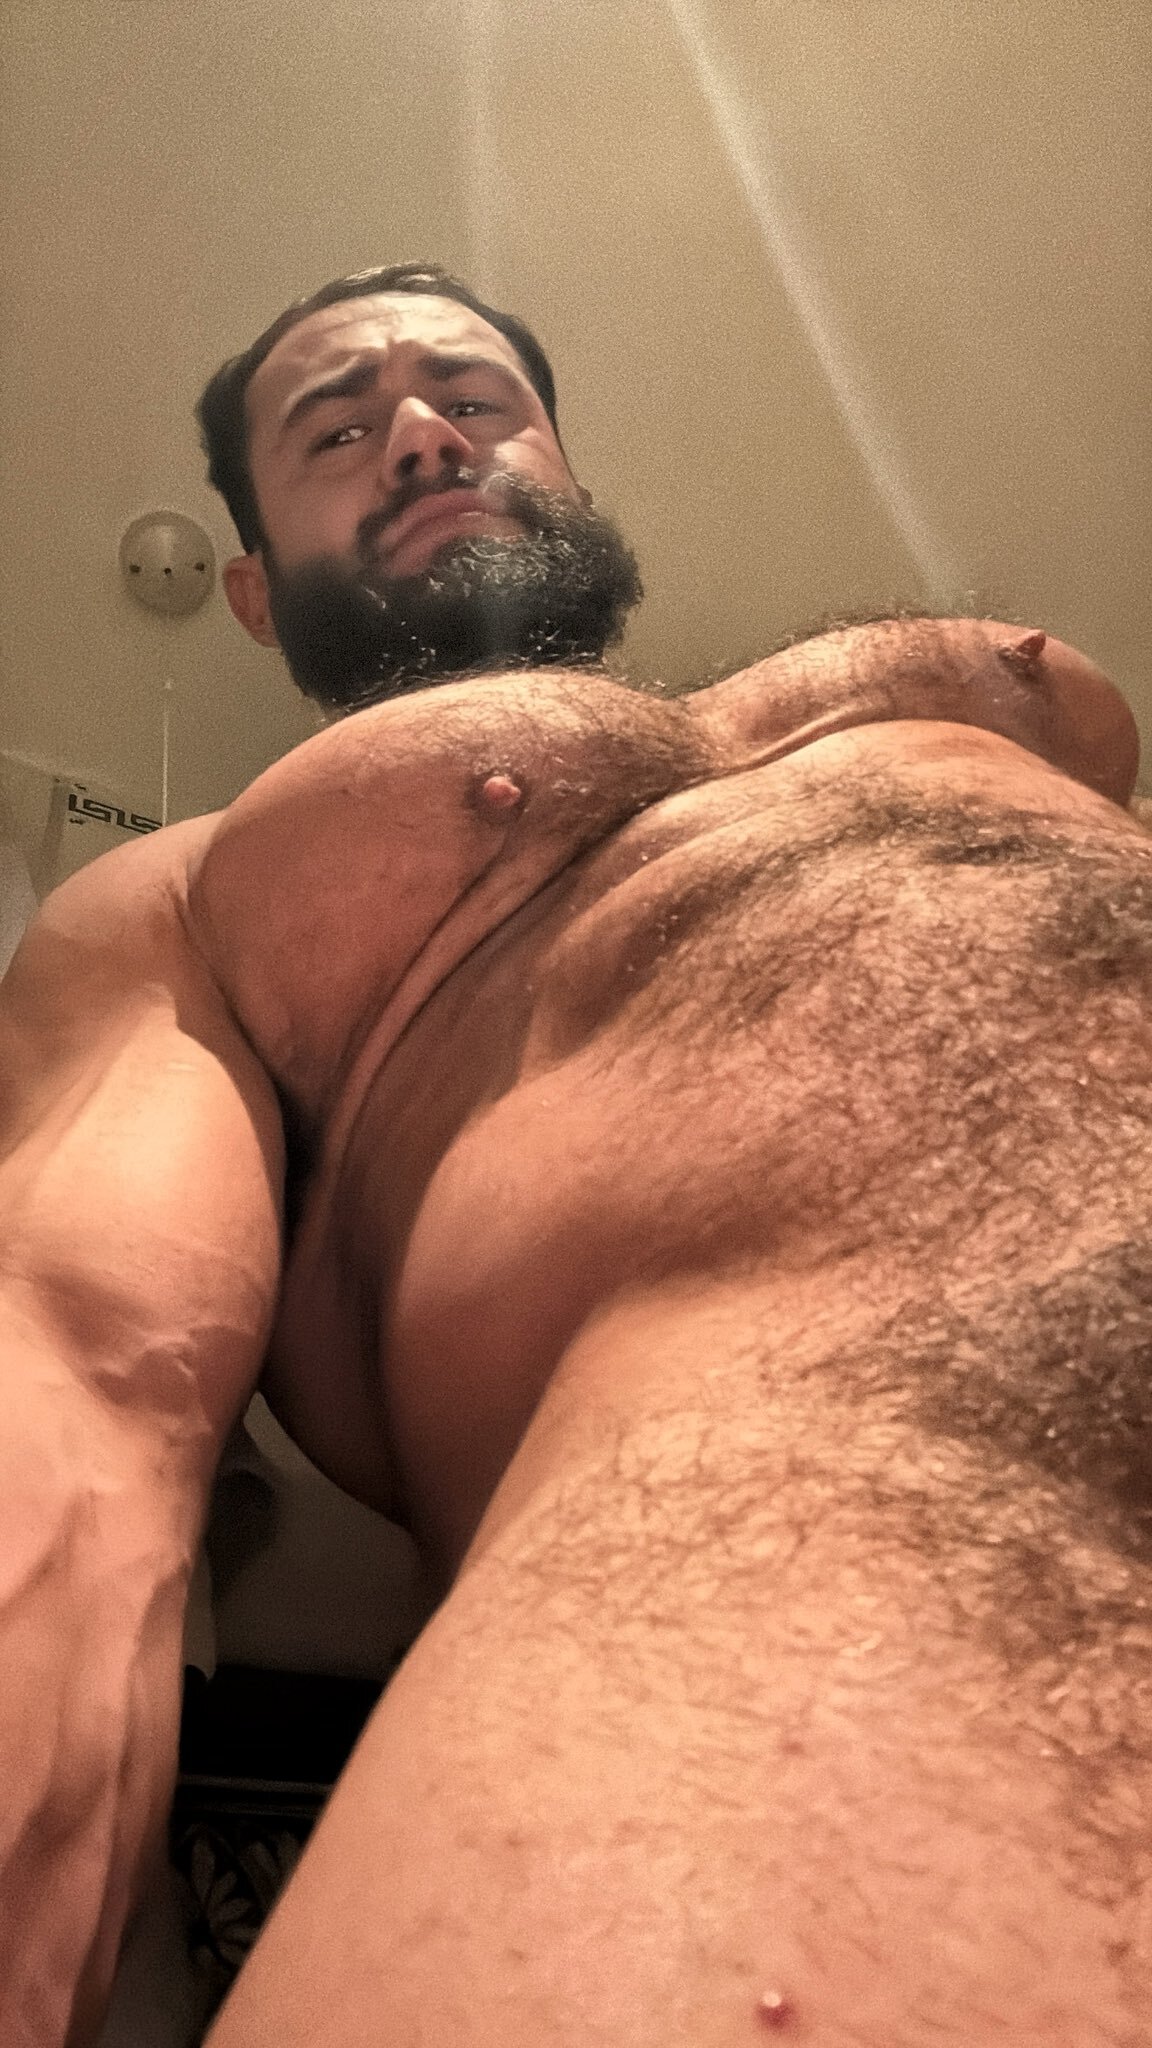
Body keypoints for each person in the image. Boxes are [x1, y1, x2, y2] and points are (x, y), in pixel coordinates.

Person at [0, 260, 1148, 2048]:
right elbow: (81, 1385)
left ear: (565, 463)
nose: (420, 431)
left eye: (473, 395)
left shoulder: (925, 710)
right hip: (798, 1594)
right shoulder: (190, 894)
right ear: (252, 587)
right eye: (337, 429)